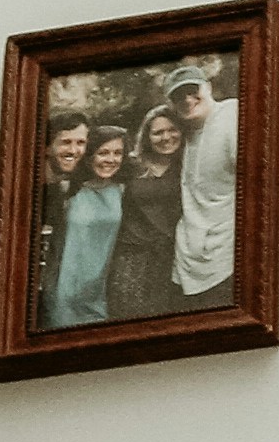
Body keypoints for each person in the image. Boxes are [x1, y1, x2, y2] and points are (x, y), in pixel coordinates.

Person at [106, 99, 188, 325]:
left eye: (172, 130)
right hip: (130, 256)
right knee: (126, 319)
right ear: (146, 136)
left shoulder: (188, 164)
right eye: (158, 132)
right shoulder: (131, 165)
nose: (166, 137)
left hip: (171, 257)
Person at [165, 62, 238, 313]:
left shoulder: (232, 115)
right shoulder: (179, 134)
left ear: (207, 88)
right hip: (185, 260)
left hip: (225, 259)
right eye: (177, 95)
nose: (186, 99)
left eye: (192, 90)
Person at [44, 117, 129, 331]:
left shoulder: (124, 191)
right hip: (64, 288)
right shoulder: (67, 189)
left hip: (102, 290)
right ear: (90, 155)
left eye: (117, 153)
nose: (110, 159)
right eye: (103, 152)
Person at [31, 110, 93, 324]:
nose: (74, 150)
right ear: (47, 147)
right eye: (66, 142)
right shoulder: (29, 185)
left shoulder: (63, 188)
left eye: (80, 143)